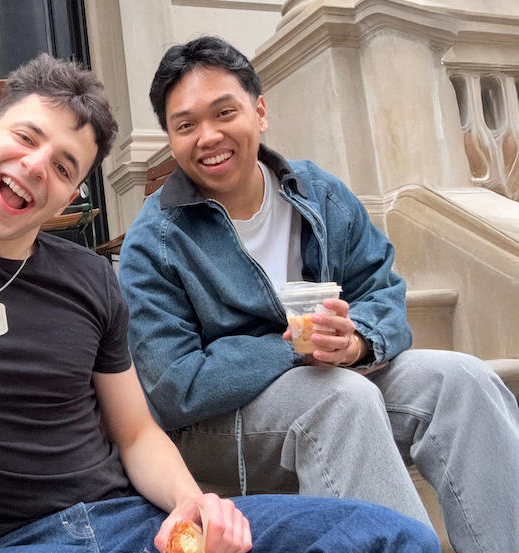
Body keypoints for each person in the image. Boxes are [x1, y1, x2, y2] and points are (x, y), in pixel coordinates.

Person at [0, 53, 439, 553]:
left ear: (69, 197)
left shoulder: (88, 277)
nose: (35, 168)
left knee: (391, 535)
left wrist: (195, 508)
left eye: (64, 166)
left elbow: (138, 432)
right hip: (15, 539)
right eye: (25, 137)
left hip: (135, 522)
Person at [117, 35, 519, 553]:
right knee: (337, 397)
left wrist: (357, 343)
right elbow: (173, 387)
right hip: (216, 430)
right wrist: (292, 346)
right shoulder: (156, 238)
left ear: (259, 112)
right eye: (185, 125)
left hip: (333, 379)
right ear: (170, 138)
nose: (207, 136)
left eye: (224, 112)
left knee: (462, 380)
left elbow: (383, 291)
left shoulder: (319, 193)